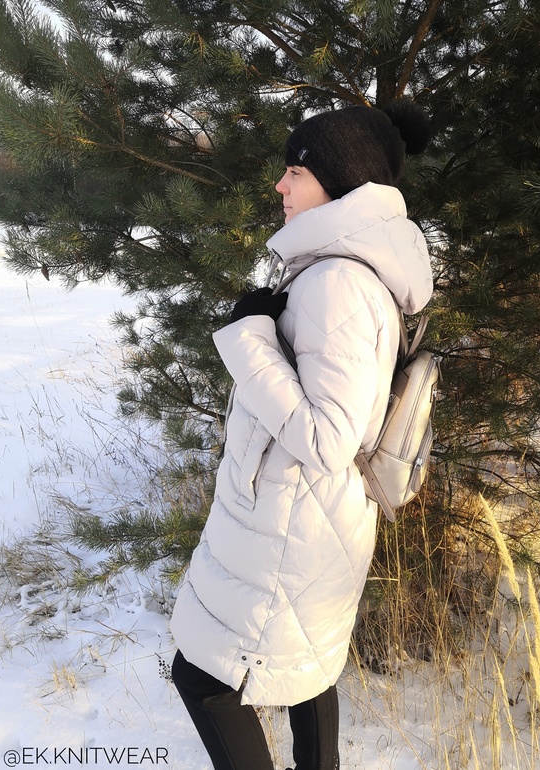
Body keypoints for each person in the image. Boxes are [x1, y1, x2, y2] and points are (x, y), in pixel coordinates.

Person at [169, 100, 434, 770]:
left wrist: (249, 336)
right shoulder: (346, 267)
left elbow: (327, 437)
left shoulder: (340, 281)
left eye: (296, 171)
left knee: (202, 677)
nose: (279, 185)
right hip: (312, 522)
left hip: (290, 528)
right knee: (308, 671)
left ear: (339, 182)